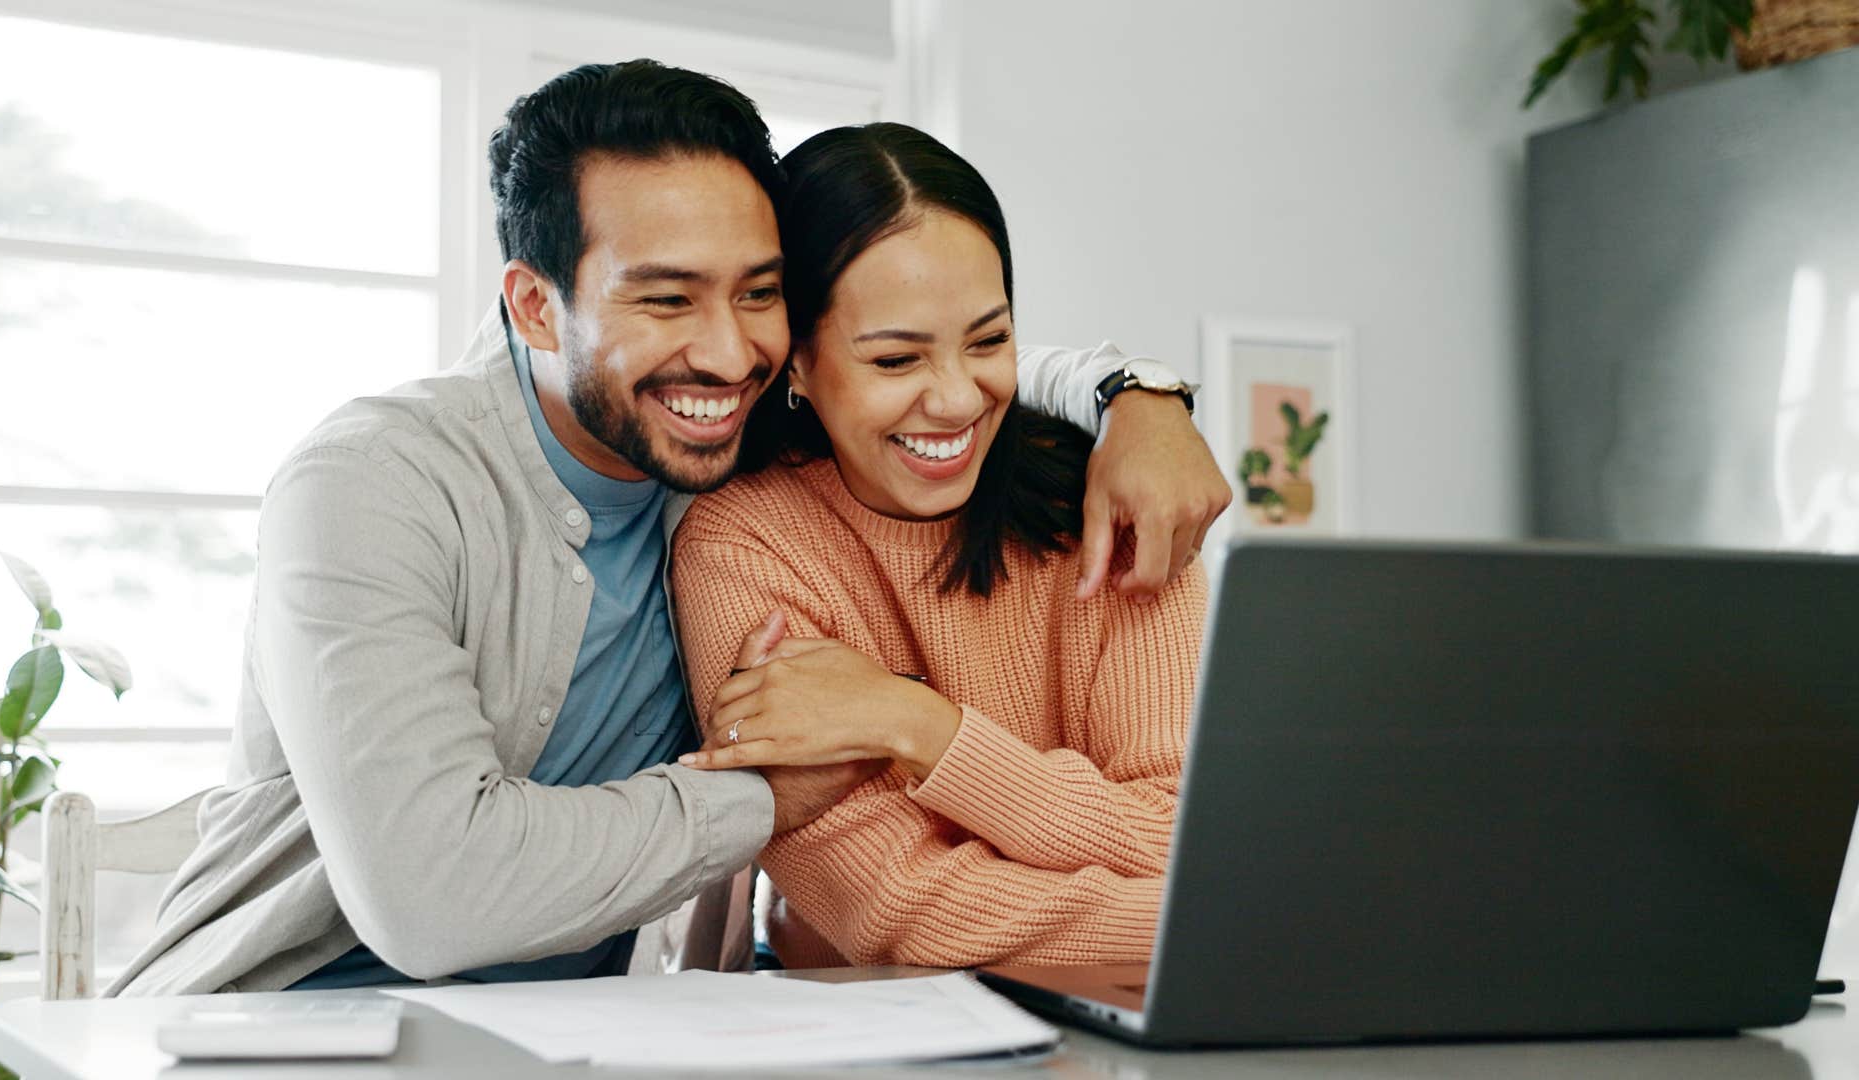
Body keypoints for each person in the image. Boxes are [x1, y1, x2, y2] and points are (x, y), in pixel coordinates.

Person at [108, 61, 1227, 997]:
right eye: (664, 298)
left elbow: (919, 354)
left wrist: (1140, 396)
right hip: (272, 1024)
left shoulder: (730, 437)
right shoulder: (373, 485)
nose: (727, 352)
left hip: (578, 1036)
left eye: (756, 293)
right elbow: (430, 901)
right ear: (535, 303)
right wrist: (758, 803)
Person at [670, 123, 1208, 969]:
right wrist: (1223, 935)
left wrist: (916, 723)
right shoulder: (743, 545)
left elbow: (1191, 839)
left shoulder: (1113, 509)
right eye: (895, 359)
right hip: (866, 1032)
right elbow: (895, 908)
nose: (958, 398)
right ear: (796, 364)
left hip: (1149, 1022)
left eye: (990, 341)